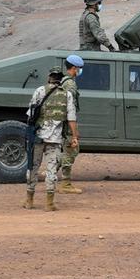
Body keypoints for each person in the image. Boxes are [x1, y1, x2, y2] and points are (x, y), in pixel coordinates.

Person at [24, 66, 78, 211]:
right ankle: (49, 203)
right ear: (60, 79)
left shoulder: (39, 91)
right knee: (51, 169)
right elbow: (71, 118)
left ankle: (29, 200)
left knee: (33, 167)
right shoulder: (67, 95)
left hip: (38, 137)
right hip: (54, 139)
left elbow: (30, 115)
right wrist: (74, 136)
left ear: (49, 77)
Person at [58, 54, 84, 194]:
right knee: (71, 150)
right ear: (74, 68)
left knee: (66, 151)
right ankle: (65, 184)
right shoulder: (70, 84)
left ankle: (51, 171)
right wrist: (74, 132)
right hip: (68, 124)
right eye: (79, 68)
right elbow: (70, 109)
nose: (80, 71)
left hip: (63, 123)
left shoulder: (63, 81)